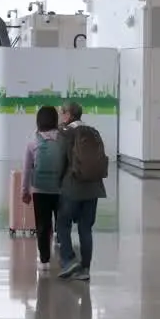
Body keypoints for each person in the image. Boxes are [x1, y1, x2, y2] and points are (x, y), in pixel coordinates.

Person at [55, 103, 109, 281]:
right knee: (86, 228)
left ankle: (69, 260)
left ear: (69, 115)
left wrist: (57, 183)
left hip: (73, 186)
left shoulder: (65, 133)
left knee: (63, 223)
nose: (61, 116)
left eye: (62, 113)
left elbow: (60, 160)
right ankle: (85, 269)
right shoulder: (92, 131)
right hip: (94, 186)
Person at [22, 106, 64, 269]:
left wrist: (25, 191)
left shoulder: (33, 142)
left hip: (39, 190)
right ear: (55, 120)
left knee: (42, 224)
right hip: (60, 189)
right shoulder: (63, 140)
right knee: (61, 221)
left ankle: (44, 260)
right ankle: (62, 249)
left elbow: (26, 170)